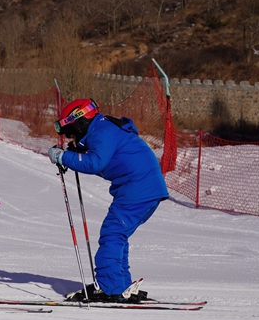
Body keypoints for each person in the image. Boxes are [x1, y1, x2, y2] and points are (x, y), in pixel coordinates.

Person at [48, 98, 169, 302]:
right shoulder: (104, 127)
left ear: (80, 121)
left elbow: (95, 163)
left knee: (112, 234)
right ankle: (120, 285)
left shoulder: (101, 131)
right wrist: (79, 154)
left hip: (138, 188)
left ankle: (110, 288)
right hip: (144, 188)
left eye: (71, 131)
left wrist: (62, 157)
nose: (72, 137)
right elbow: (108, 160)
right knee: (117, 234)